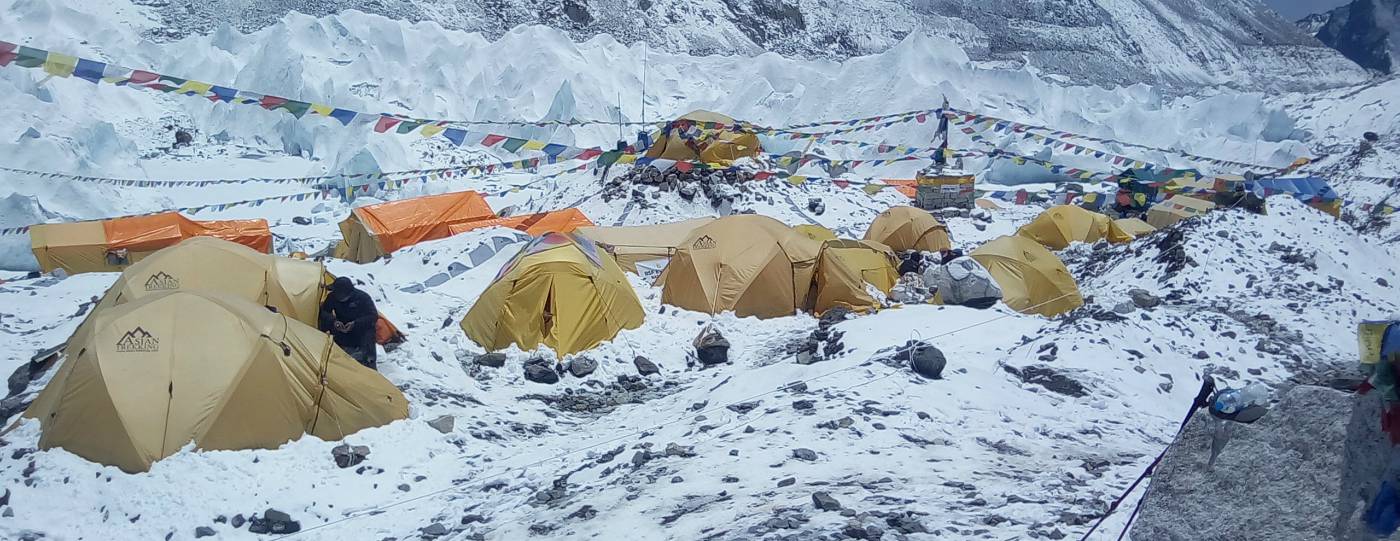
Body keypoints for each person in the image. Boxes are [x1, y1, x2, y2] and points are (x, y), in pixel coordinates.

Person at [319, 277, 379, 370]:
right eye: (336, 293)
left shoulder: (362, 298)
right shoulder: (332, 297)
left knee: (368, 333)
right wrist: (334, 322)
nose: (337, 296)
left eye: (340, 295)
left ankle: (369, 364)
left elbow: (373, 316)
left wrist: (355, 324)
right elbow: (324, 312)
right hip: (341, 327)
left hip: (360, 329)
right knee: (325, 325)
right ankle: (334, 360)